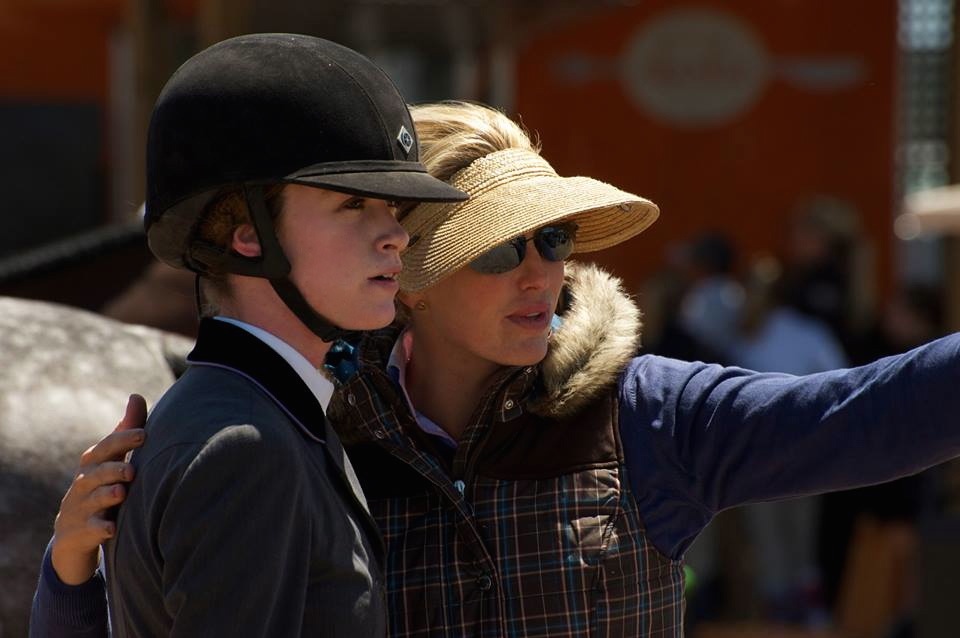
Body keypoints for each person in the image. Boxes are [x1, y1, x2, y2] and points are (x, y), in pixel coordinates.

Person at [33, 101, 960, 637]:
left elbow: (873, 413)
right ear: (409, 281)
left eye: (553, 239)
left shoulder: (648, 413)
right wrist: (73, 578)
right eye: (500, 249)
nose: (543, 272)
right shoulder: (312, 437)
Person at [30, 33, 466, 637]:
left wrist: (68, 584)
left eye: (393, 209)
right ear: (249, 236)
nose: (396, 235)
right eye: (353, 204)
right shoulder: (247, 449)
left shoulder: (260, 416)